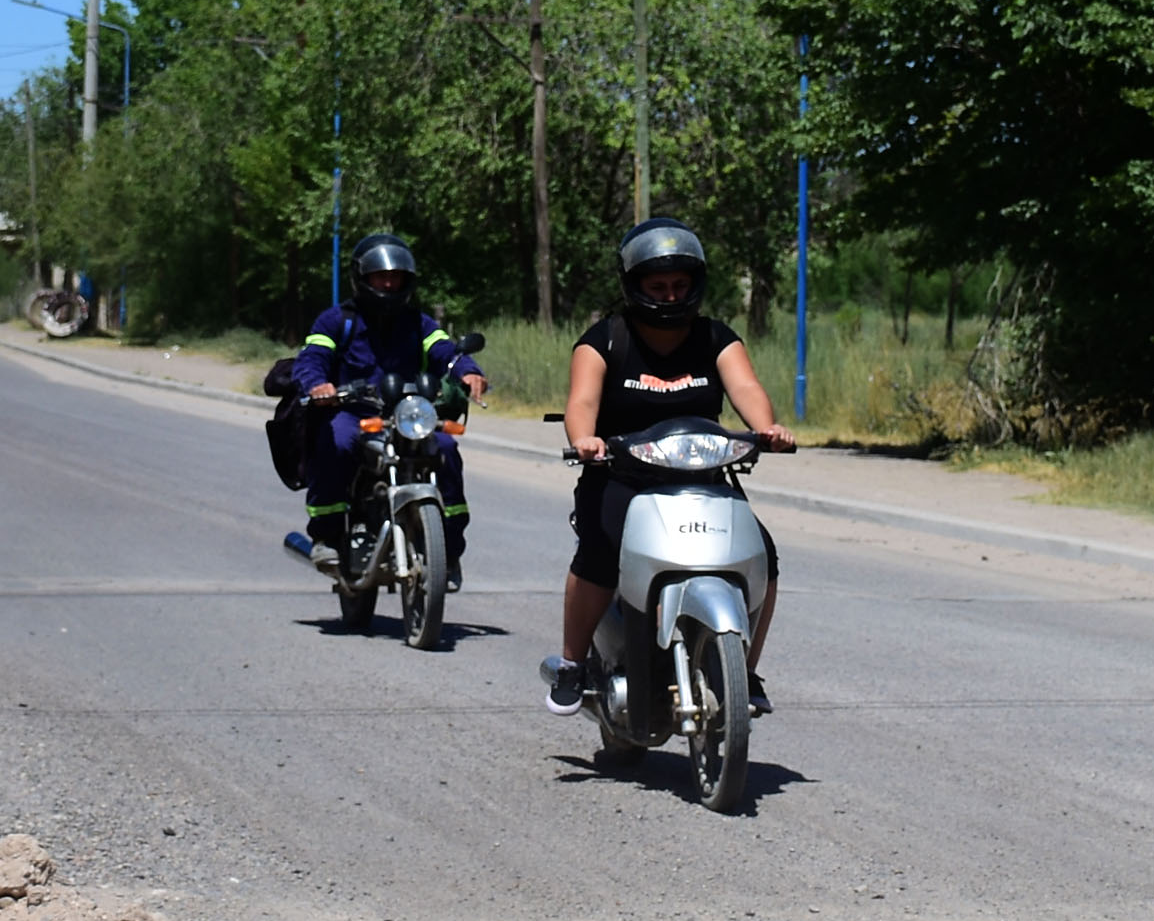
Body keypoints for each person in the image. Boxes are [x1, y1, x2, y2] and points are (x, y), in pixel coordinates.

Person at [543, 218, 790, 718]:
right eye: (658, 286)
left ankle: (745, 669)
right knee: (599, 553)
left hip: (702, 477)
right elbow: (582, 401)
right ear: (633, 285)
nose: (671, 295)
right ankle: (572, 663)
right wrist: (584, 439)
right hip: (620, 476)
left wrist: (766, 428)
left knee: (762, 555)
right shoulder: (604, 340)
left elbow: (745, 388)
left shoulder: (716, 337)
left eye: (680, 284)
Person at [279, 233, 489, 577]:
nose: (389, 284)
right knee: (337, 441)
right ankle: (327, 538)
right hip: (353, 413)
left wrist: (468, 371)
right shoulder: (337, 321)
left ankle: (448, 550)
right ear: (362, 278)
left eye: (396, 277)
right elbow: (312, 357)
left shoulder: (418, 323)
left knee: (447, 448)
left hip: (407, 414)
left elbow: (446, 352)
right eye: (381, 276)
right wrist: (318, 385)